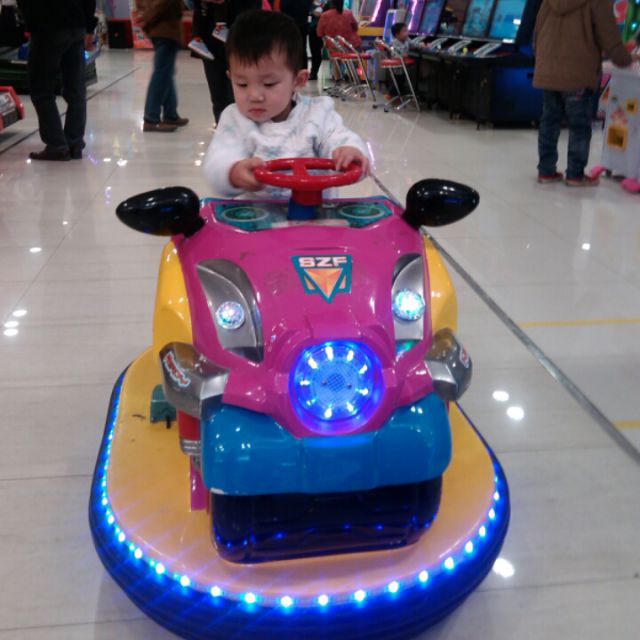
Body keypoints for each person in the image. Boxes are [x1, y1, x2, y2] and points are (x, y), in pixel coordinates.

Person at [203, 9, 369, 197]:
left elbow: (338, 137)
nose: (254, 96)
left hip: (318, 211)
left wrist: (349, 152)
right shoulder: (235, 119)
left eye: (269, 84)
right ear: (230, 78)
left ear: (298, 81)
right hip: (258, 213)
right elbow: (218, 158)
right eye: (242, 84)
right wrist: (232, 172)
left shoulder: (318, 113)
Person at [534, 0, 638, 186]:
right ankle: (575, 175)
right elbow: (609, 35)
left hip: (549, 70)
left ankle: (545, 171)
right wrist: (625, 59)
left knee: (549, 123)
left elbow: (537, 32)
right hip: (578, 72)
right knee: (579, 127)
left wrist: (545, 60)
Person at [17, 0, 97, 161]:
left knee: (41, 89)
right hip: (77, 24)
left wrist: (29, 22)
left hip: (48, 25)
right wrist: (89, 26)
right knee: (76, 88)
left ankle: (57, 146)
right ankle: (74, 143)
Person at [192, 0, 261, 126]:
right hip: (211, 39)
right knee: (219, 95)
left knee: (240, 93)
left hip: (242, 34)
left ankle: (242, 129)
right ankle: (223, 128)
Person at [136, 0, 189, 132]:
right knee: (161, 75)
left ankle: (170, 114)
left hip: (163, 29)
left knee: (166, 74)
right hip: (165, 29)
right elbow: (163, 3)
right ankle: (151, 118)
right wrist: (148, 19)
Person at [387, 21, 424, 96]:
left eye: (407, 30)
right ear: (397, 35)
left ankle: (400, 94)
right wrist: (403, 55)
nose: (407, 33)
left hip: (404, 66)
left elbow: (413, 44)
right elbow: (394, 55)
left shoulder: (407, 40)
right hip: (397, 67)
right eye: (404, 31)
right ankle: (392, 95)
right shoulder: (394, 43)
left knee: (403, 79)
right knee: (397, 81)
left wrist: (421, 45)